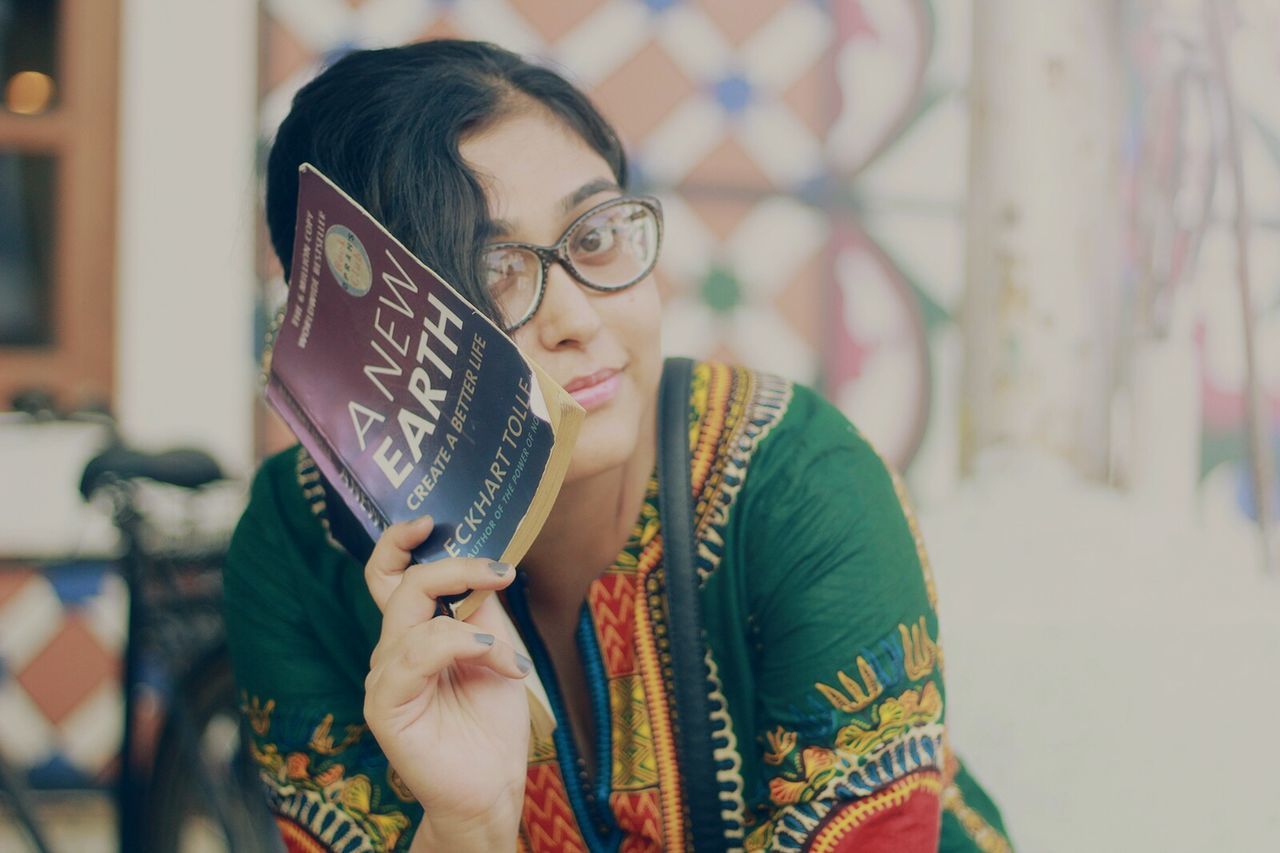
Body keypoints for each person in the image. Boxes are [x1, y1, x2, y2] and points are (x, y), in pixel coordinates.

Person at [226, 39, 1010, 853]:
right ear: (364, 351)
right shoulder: (299, 549)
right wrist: (466, 826)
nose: (578, 318)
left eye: (595, 236)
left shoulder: (800, 482)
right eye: (488, 270)